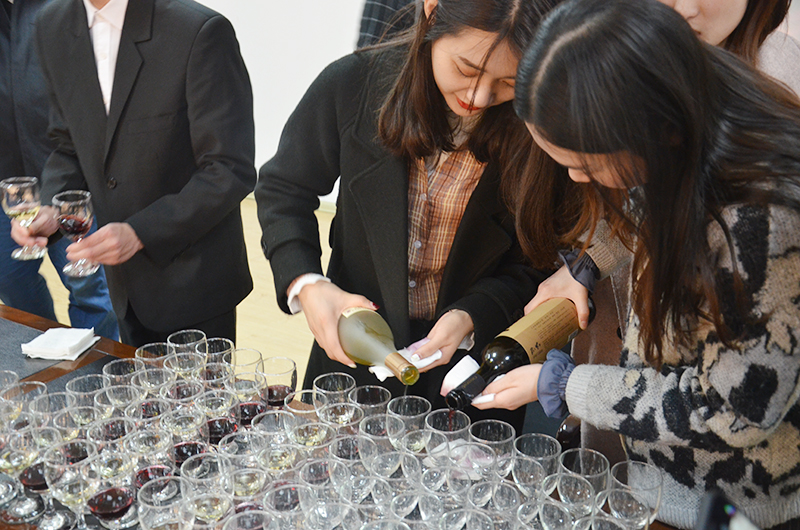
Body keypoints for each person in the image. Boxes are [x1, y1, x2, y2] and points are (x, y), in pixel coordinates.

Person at [476, 0, 800, 527]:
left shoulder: (763, 217)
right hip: (656, 489)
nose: (577, 179)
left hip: (737, 507)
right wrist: (588, 264)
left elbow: (734, 408)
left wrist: (568, 385)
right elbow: (644, 214)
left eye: (584, 164)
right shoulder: (688, 137)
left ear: (648, 131)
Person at [256, 0, 556, 431]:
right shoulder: (356, 84)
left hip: (467, 374)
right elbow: (284, 188)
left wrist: (473, 314)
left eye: (509, 82)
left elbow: (537, 262)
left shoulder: (538, 129)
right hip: (352, 358)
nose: (478, 97)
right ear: (432, 11)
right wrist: (307, 284)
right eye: (467, 69)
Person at [11, 0, 255, 347]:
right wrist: (53, 208)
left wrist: (140, 232)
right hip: (123, 287)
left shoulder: (198, 30)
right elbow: (69, 143)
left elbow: (230, 168)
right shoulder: (51, 25)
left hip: (195, 280)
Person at [1, 0, 118, 339]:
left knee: (90, 291)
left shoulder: (70, 9)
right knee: (12, 284)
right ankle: (44, 354)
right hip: (6, 190)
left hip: (74, 182)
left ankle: (98, 367)